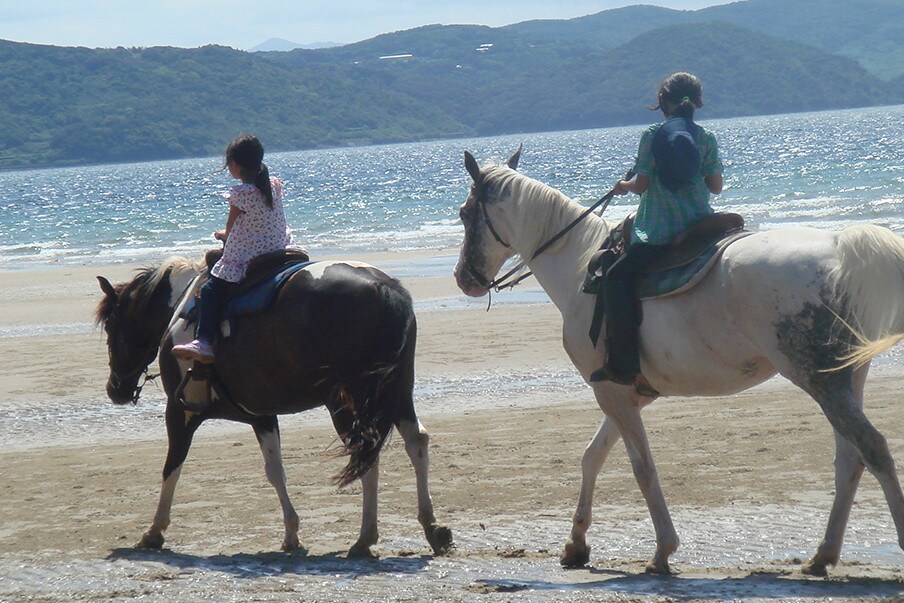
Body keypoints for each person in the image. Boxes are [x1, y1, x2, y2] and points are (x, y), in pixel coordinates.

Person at [591, 72, 723, 387]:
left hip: (660, 230)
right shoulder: (705, 137)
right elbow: (715, 186)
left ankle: (624, 364)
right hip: (701, 224)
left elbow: (642, 185)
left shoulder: (652, 134)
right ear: (698, 102)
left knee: (616, 278)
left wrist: (623, 185)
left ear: (663, 102)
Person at [172, 134, 295, 364]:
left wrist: (222, 235)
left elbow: (229, 231)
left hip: (253, 254)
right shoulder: (273, 185)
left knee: (210, 290)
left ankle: (204, 341)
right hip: (279, 246)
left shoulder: (242, 194)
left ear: (235, 165)